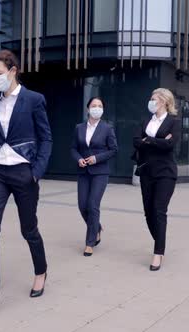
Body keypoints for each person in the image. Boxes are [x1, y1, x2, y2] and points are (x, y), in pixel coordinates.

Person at [0, 50, 53, 320]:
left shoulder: (34, 99)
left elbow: (46, 138)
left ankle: (41, 270)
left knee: (28, 229)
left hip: (24, 172)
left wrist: (36, 172)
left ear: (13, 70)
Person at [132, 88, 180, 271]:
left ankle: (158, 252)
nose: (151, 102)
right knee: (148, 212)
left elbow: (170, 145)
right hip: (146, 171)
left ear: (164, 101)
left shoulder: (173, 122)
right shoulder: (145, 120)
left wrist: (148, 140)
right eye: (150, 99)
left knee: (159, 210)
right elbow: (135, 141)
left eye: (154, 99)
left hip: (166, 173)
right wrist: (156, 140)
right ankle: (160, 240)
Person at [70, 97, 118, 257]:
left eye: (100, 106)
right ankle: (96, 227)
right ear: (88, 108)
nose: (97, 108)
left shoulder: (107, 128)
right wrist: (78, 159)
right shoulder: (79, 127)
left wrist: (97, 158)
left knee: (92, 205)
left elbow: (113, 150)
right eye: (94, 105)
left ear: (103, 109)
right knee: (82, 206)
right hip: (83, 172)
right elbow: (73, 148)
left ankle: (90, 242)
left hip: (100, 172)